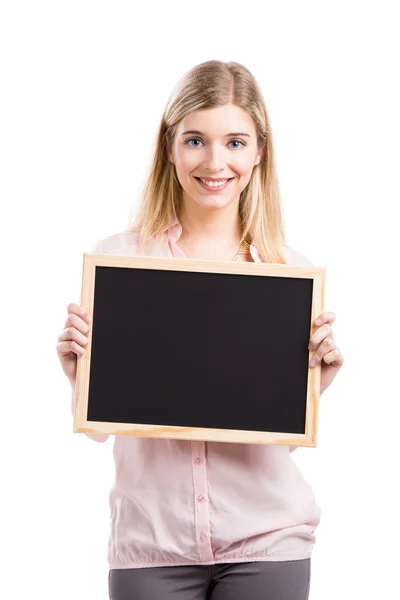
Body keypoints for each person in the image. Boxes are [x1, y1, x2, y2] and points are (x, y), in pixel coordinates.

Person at [56, 60, 344, 600]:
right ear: (170, 147)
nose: (215, 162)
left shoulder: (286, 274)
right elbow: (100, 428)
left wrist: (311, 387)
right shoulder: (121, 261)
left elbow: (271, 435)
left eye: (235, 142)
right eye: (195, 140)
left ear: (260, 152)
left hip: (267, 539)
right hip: (151, 544)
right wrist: (80, 376)